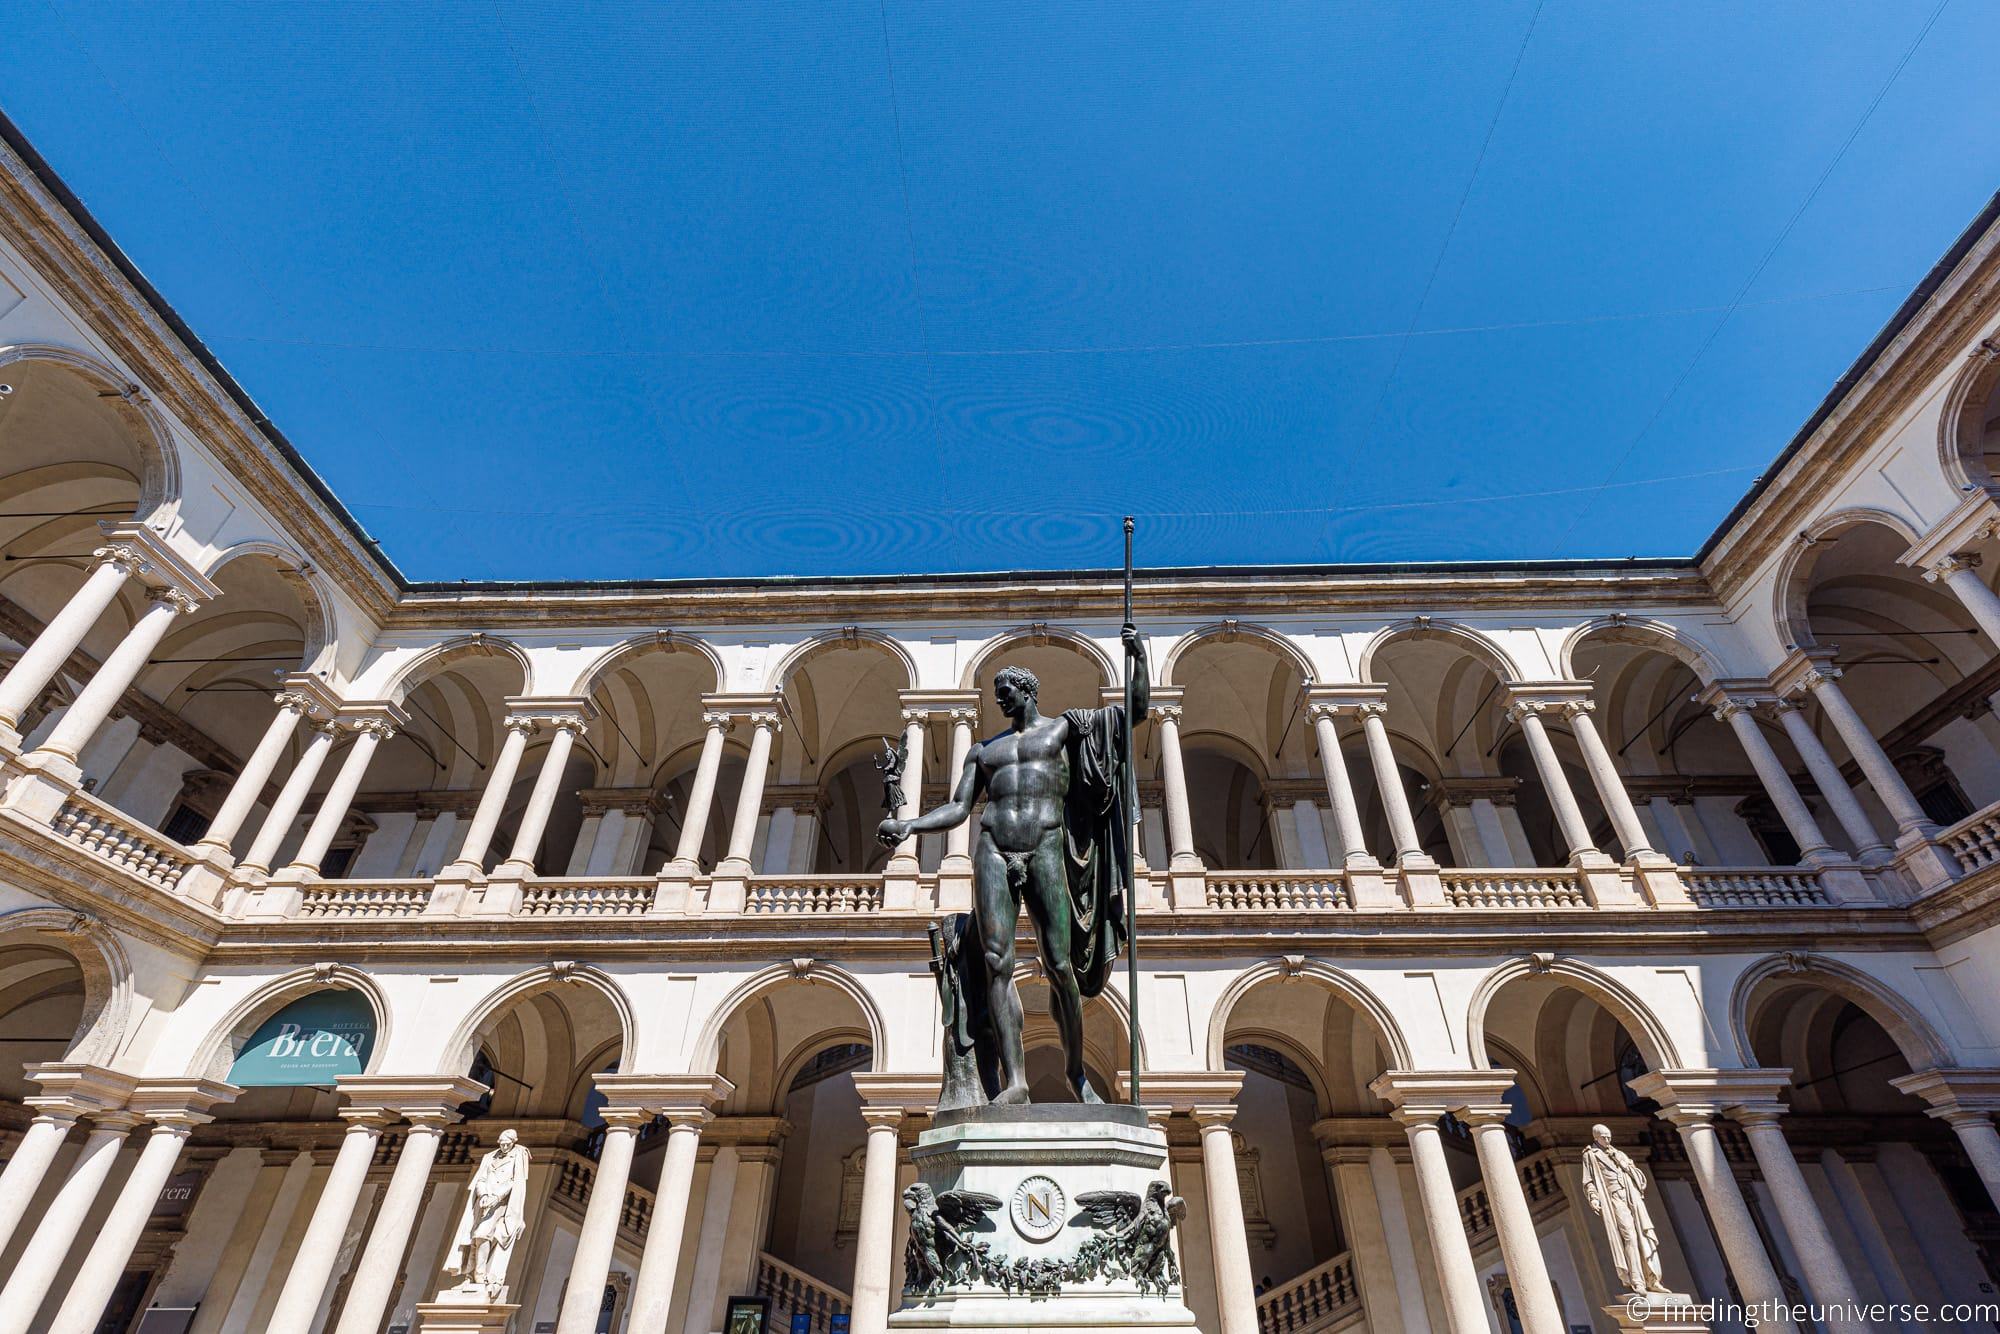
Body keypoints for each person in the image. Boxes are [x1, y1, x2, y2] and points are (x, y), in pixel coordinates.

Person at [880, 624, 1147, 1104]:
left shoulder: (1066, 730)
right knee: (995, 961)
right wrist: (911, 827)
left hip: (1046, 845)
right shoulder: (984, 751)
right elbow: (960, 809)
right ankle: (1017, 1082)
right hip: (993, 848)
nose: (1000, 702)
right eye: (997, 696)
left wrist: (1139, 661)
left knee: (1060, 964)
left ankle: (1075, 1074)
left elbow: (1135, 716)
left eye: (1006, 694)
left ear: (1027, 691)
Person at [1581, 1123, 1668, 1295]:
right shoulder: (1591, 1155)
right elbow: (1588, 1180)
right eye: (1603, 1137)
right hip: (1614, 1199)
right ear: (1595, 1137)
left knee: (1643, 1235)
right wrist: (1593, 1197)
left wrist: (1623, 1162)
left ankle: (1652, 1278)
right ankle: (1637, 1280)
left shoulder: (1619, 1154)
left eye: (1609, 1136)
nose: (1607, 1139)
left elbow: (1640, 1180)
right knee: (1629, 1236)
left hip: (1632, 1197)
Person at [445, 1128, 531, 1299]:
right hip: (483, 1202)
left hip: (500, 1204)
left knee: (482, 1234)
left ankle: (479, 1274)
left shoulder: (518, 1156)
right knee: (473, 1237)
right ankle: (472, 1276)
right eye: (501, 1143)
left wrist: (496, 1197)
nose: (504, 1146)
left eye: (507, 1144)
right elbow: (481, 1179)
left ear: (513, 1142)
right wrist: (483, 1194)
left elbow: (516, 1182)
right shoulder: (490, 1157)